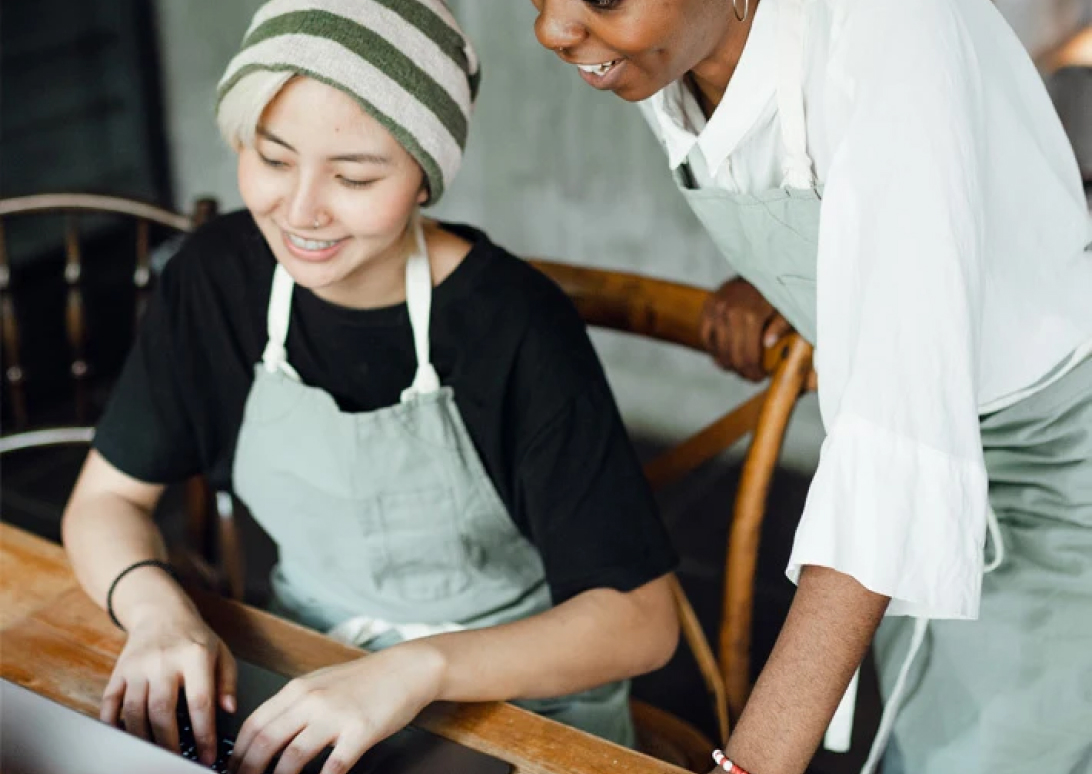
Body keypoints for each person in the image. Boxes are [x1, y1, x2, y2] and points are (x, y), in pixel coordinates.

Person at [61, 2, 681, 772]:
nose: (300, 211)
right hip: (305, 668)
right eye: (273, 159)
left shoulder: (511, 324)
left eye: (353, 175)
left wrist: (418, 670)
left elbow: (640, 623)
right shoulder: (217, 276)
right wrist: (156, 614)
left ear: (426, 175)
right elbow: (104, 502)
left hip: (515, 703)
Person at [529, 0, 1092, 773]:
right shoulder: (664, 47)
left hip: (1063, 458)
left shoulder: (895, 27)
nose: (553, 31)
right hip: (923, 460)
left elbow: (897, 442)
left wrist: (750, 764)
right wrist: (816, 267)